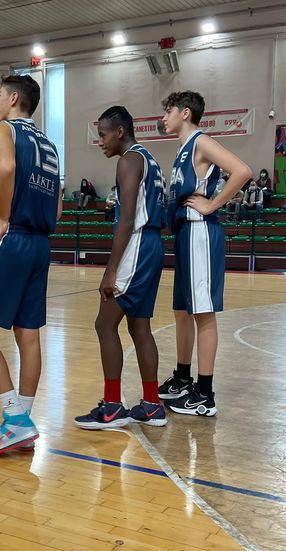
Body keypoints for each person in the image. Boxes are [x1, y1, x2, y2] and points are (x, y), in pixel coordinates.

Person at [0, 75, 62, 455]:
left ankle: (15, 418)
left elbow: (5, 167)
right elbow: (56, 204)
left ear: (14, 98)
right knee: (29, 334)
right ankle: (23, 421)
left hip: (11, 239)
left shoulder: (4, 129)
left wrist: (2, 215)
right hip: (40, 243)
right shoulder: (49, 145)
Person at [158, 90, 251, 416]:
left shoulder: (201, 141)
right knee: (182, 311)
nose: (164, 118)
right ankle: (183, 377)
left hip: (200, 232)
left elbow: (242, 171)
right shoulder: (183, 148)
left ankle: (205, 393)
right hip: (184, 233)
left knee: (203, 312)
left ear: (185, 112)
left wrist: (212, 204)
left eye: (168, 111)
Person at [74, 106, 167, 430]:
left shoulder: (129, 160)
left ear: (120, 132)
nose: (100, 141)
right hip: (152, 245)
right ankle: (152, 405)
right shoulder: (149, 158)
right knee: (140, 327)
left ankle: (113, 407)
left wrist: (111, 270)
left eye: (103, 135)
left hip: (137, 245)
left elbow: (127, 219)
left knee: (104, 324)